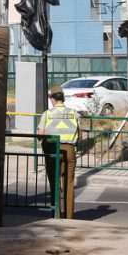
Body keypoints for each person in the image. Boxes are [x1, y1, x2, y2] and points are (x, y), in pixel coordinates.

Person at [37, 85, 80, 219]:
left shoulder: (47, 114)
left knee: (55, 184)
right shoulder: (74, 113)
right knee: (69, 183)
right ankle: (69, 217)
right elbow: (79, 134)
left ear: (52, 98)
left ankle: (56, 216)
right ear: (63, 98)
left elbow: (40, 135)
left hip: (52, 151)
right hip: (69, 150)